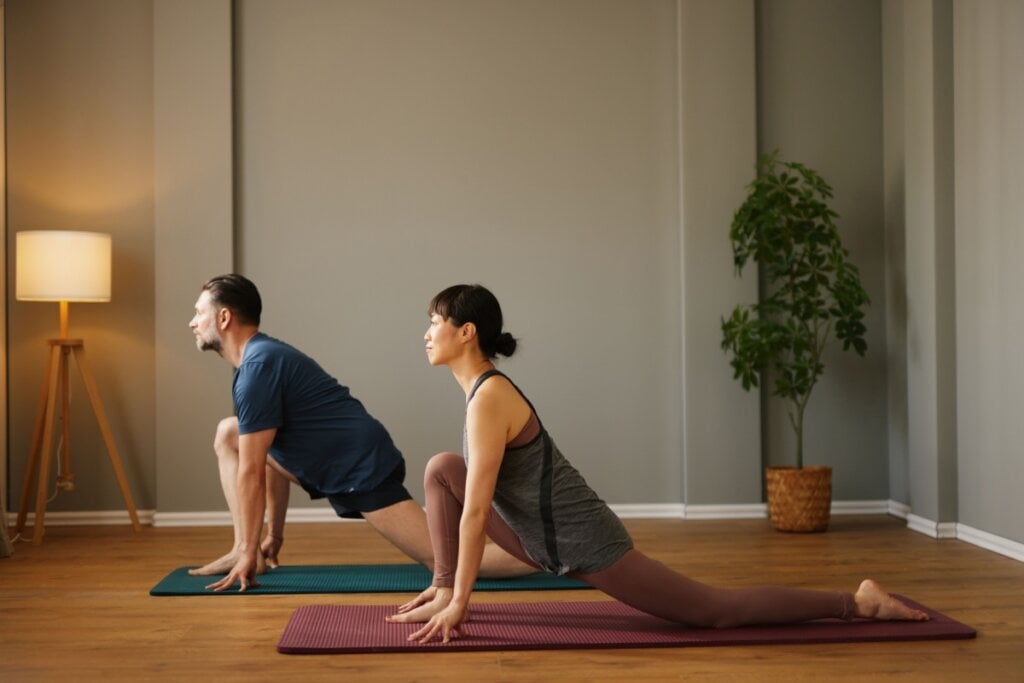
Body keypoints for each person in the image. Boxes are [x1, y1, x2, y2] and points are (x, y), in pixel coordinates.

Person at [386, 283, 930, 643]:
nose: (426, 333)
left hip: (582, 540)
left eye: (435, 321)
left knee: (712, 611)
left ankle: (855, 603)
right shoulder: (479, 394)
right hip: (536, 535)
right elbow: (461, 491)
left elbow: (476, 513)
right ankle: (437, 585)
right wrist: (447, 585)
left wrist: (463, 603)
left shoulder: (489, 398)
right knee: (440, 467)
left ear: (466, 332)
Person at [187, 274, 534, 591]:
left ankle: (542, 555)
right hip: (332, 463)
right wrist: (269, 537)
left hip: (359, 468)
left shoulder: (257, 367)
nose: (193, 322)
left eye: (199, 313)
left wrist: (253, 548)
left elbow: (251, 470)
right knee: (230, 433)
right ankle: (241, 548)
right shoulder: (258, 360)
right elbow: (261, 455)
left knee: (444, 561)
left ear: (224, 318)